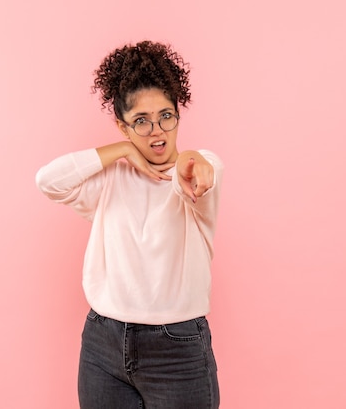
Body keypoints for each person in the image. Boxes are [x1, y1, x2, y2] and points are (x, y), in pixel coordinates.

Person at [35, 40, 223, 409]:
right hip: (102, 343)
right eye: (141, 121)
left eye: (166, 116)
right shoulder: (110, 180)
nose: (157, 132)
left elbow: (201, 168)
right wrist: (120, 152)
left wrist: (191, 160)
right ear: (123, 126)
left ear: (178, 114)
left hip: (178, 348)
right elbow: (48, 180)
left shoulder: (196, 174)